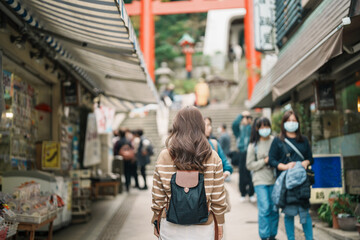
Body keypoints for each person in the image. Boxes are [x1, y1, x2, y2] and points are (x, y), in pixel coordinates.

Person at [151, 106, 227, 240]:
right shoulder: (212, 157)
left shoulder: (164, 156)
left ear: (176, 127)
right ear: (201, 126)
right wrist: (220, 222)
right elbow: (218, 197)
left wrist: (156, 218)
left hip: (170, 225)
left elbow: (158, 196)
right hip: (203, 228)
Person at [268, 110, 314, 240]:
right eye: (289, 121)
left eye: (294, 121)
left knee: (305, 212)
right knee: (289, 213)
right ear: (284, 123)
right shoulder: (278, 140)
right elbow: (272, 160)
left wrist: (306, 162)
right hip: (286, 184)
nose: (292, 123)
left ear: (298, 123)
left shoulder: (303, 140)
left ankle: (310, 238)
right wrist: (285, 166)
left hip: (302, 183)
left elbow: (311, 158)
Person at [246, 117, 279, 240]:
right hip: (260, 180)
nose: (265, 129)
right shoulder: (253, 145)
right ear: (257, 128)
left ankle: (272, 235)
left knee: (274, 208)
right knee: (264, 208)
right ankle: (264, 236)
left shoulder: (275, 141)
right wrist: (264, 161)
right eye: (262, 127)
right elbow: (249, 165)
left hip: (275, 180)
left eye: (267, 126)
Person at [232, 111, 255, 202]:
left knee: (251, 174)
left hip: (251, 153)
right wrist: (241, 115)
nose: (246, 119)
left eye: (248, 117)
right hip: (241, 152)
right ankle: (243, 193)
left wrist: (248, 122)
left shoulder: (252, 128)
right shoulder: (239, 129)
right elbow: (234, 124)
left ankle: (251, 193)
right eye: (245, 117)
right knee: (242, 174)